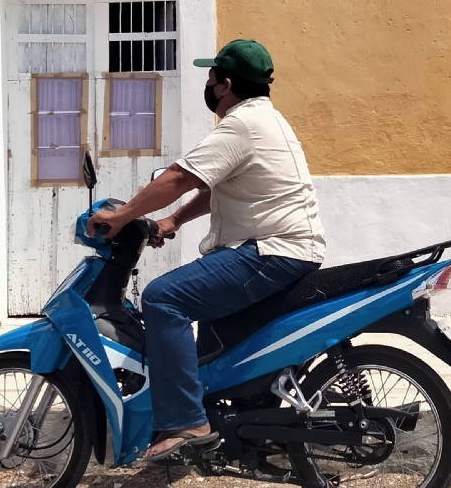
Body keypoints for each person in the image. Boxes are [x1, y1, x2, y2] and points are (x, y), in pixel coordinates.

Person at [90, 39, 325, 461]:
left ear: (225, 84)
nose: (207, 83)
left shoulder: (240, 125)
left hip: (269, 251)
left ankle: (185, 421)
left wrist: (122, 216)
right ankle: (232, 429)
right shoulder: (267, 121)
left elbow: (179, 178)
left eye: (211, 76)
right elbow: (212, 183)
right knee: (212, 336)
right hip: (283, 249)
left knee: (164, 298)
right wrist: (174, 221)